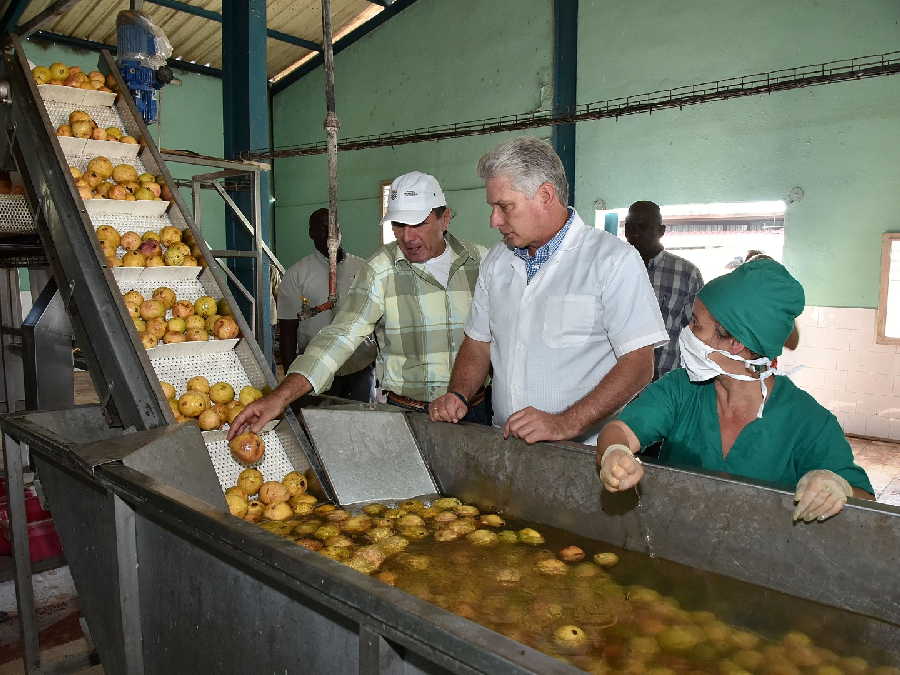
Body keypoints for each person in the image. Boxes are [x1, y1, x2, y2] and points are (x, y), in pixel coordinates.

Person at [429, 137, 668, 445]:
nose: (494, 220)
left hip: (583, 452)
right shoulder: (496, 261)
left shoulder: (611, 260)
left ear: (545, 195)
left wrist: (565, 423)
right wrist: (458, 394)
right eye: (493, 208)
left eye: (504, 207)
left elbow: (638, 364)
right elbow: (478, 344)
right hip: (507, 443)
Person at [596, 258, 874, 522]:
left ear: (736, 344)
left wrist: (837, 487)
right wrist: (615, 452)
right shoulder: (681, 389)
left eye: (696, 324)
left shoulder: (809, 422)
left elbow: (867, 505)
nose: (687, 331)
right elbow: (620, 430)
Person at [228, 171, 489, 438]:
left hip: (474, 411)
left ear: (444, 218)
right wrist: (281, 396)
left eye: (418, 223)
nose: (408, 237)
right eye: (399, 224)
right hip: (409, 415)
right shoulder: (380, 270)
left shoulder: (482, 263)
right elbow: (341, 336)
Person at [276, 208, 376, 403]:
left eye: (334, 227)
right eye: (322, 228)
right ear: (311, 233)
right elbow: (287, 328)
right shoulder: (297, 274)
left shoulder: (364, 269)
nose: (330, 234)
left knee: (363, 426)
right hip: (315, 370)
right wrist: (290, 382)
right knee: (321, 424)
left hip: (359, 366)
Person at [624, 201, 704, 380]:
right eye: (629, 227)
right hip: (618, 384)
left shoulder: (686, 274)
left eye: (643, 226)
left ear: (661, 231)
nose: (634, 233)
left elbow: (696, 334)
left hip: (665, 384)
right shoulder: (613, 269)